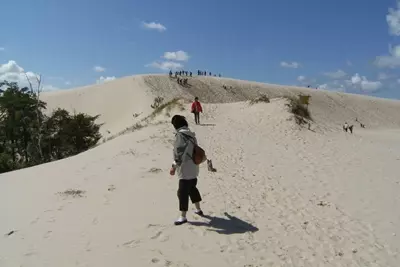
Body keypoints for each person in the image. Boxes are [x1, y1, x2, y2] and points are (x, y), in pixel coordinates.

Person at [170, 115, 204, 225]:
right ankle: (198, 209)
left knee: (182, 192)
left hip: (185, 170)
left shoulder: (180, 135)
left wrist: (173, 166)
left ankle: (183, 216)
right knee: (192, 188)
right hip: (194, 167)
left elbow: (179, 154)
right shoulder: (191, 134)